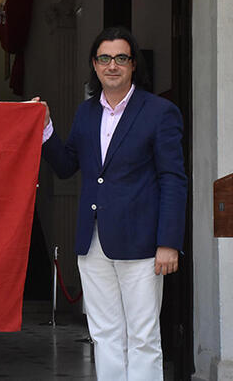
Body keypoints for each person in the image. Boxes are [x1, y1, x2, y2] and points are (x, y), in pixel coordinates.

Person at [39, 26, 187, 381]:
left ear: (133, 64)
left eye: (121, 58)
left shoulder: (160, 112)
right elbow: (66, 166)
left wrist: (168, 242)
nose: (112, 65)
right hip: (93, 243)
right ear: (94, 64)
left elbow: (173, 179)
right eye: (104, 58)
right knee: (104, 334)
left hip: (142, 244)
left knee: (143, 337)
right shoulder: (86, 113)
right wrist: (45, 127)